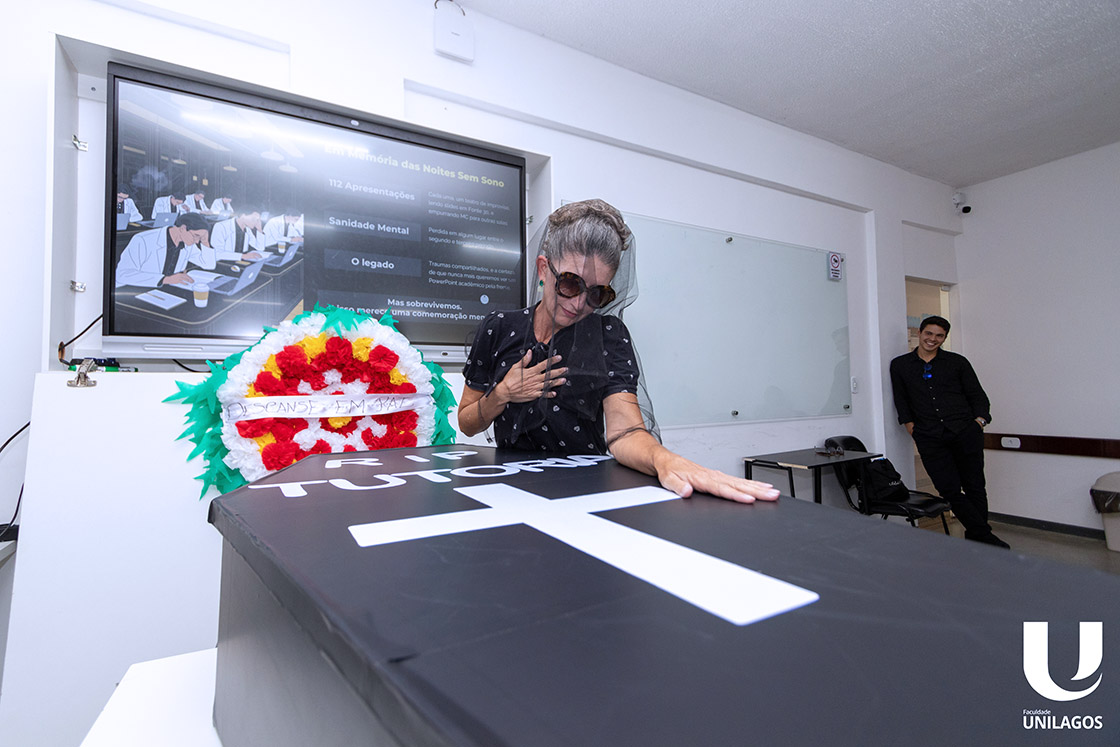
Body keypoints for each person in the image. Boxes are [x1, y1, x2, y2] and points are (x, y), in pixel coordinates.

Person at [458, 199, 780, 504]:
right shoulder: (499, 328)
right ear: (544, 269)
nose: (579, 304)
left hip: (583, 491)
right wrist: (503, 394)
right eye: (570, 284)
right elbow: (467, 422)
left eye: (596, 294)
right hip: (509, 489)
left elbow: (625, 432)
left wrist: (665, 460)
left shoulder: (608, 336)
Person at [889, 315, 1009, 548]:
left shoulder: (957, 362)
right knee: (948, 489)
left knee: (974, 486)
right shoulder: (900, 365)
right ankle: (984, 536)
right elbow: (901, 401)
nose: (932, 339)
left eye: (939, 336)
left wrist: (979, 422)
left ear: (944, 338)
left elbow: (977, 395)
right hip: (929, 436)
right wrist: (912, 428)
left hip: (965, 432)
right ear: (919, 333)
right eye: (929, 333)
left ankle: (978, 539)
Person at [115, 212, 214, 288]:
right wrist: (165, 280)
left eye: (200, 238)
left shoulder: (188, 243)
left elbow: (208, 265)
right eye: (196, 236)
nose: (197, 241)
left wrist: (205, 241)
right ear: (183, 228)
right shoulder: (143, 239)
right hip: (136, 289)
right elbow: (122, 274)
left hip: (166, 290)